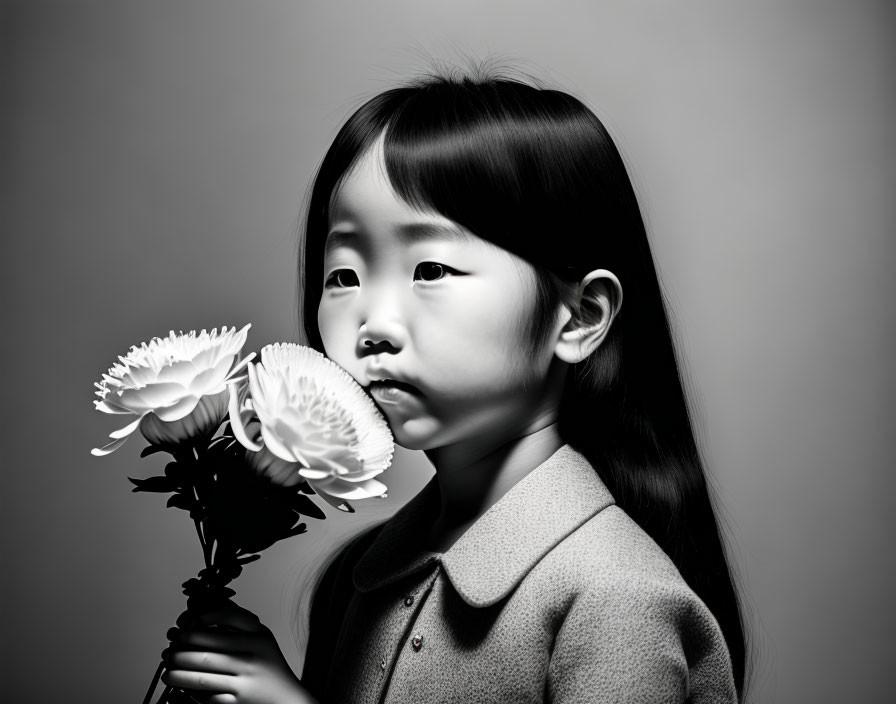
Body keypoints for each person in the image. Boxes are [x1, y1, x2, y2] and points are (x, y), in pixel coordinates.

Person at [162, 66, 749, 703]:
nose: (374, 327)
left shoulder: (617, 600)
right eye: (344, 275)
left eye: (431, 268)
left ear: (580, 316)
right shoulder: (358, 578)